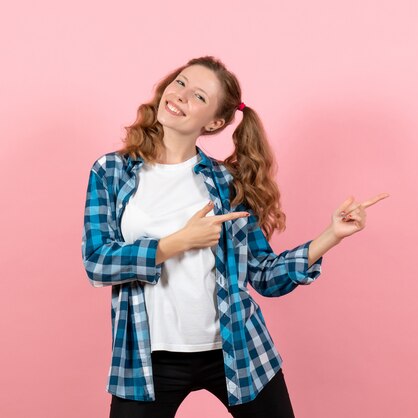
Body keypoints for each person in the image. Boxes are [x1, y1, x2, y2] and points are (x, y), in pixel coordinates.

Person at [81, 55, 389, 418]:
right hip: (147, 356)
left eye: (198, 96)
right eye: (180, 83)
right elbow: (97, 263)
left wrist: (331, 235)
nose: (179, 96)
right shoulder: (112, 171)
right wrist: (177, 243)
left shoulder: (226, 183)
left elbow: (264, 275)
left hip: (236, 348)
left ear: (215, 122)